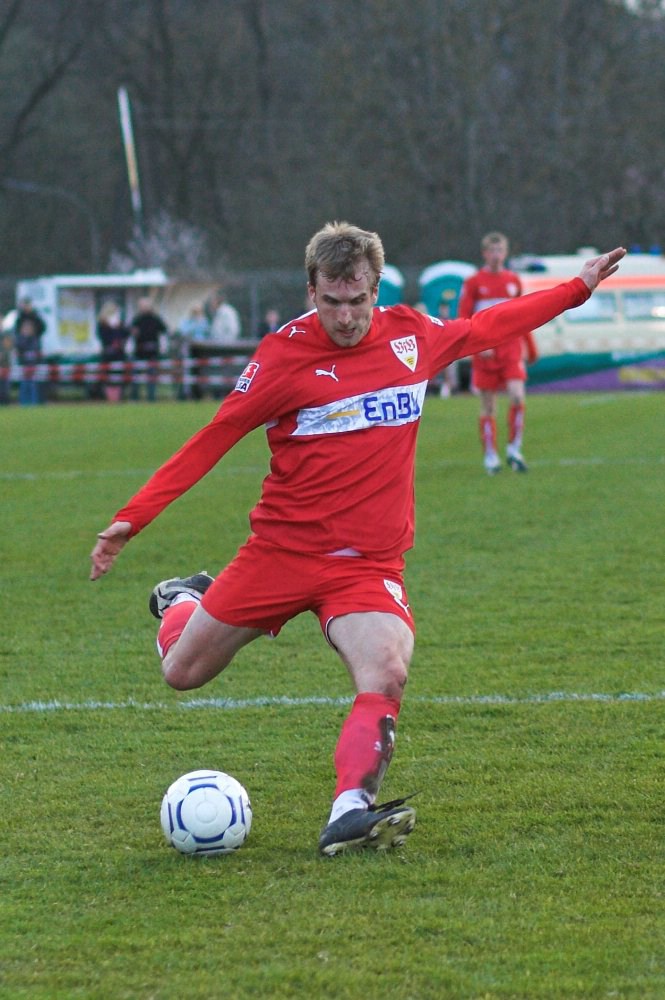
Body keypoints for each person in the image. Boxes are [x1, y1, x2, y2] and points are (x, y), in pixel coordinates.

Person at [90, 222, 625, 856]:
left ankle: (350, 810)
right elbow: (213, 439)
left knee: (387, 671)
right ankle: (185, 601)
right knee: (182, 673)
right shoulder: (281, 357)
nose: (345, 317)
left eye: (358, 300)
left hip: (367, 566)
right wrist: (135, 516)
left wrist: (577, 288)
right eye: (331, 302)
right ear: (311, 290)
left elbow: (489, 326)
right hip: (282, 554)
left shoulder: (411, 337)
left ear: (375, 290)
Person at [457, 232, 539, 474]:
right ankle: (491, 456)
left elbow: (522, 316)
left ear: (505, 253)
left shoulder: (513, 280)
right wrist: (476, 345)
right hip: (485, 351)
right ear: (485, 254)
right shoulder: (473, 282)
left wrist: (531, 347)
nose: (496, 255)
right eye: (491, 251)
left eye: (500, 250)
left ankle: (515, 449)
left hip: (511, 348)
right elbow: (463, 318)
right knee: (488, 406)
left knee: (517, 396)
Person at [129, 298, 167, 402]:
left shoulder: (156, 319)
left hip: (152, 352)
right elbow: (131, 332)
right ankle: (134, 398)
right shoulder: (136, 320)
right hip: (139, 352)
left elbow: (165, 330)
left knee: (151, 377)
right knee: (135, 377)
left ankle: (151, 398)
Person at [174, 303, 211, 400]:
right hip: (189, 351)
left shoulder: (204, 321)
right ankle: (186, 393)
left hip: (201, 351)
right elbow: (183, 331)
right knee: (187, 372)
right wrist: (195, 325)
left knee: (200, 372)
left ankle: (199, 393)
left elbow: (207, 332)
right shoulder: (187, 321)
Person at [14, 297, 46, 405]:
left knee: (34, 382)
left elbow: (43, 328)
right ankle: (24, 402)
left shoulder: (35, 317)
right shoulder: (20, 318)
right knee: (25, 383)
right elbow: (17, 334)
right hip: (24, 359)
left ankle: (34, 402)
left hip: (34, 358)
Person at [96, 301, 130, 403]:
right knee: (108, 377)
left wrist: (119, 328)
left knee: (119, 376)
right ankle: (110, 398)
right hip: (108, 354)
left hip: (119, 354)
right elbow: (103, 337)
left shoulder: (120, 324)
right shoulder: (102, 324)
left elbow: (126, 334)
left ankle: (118, 397)